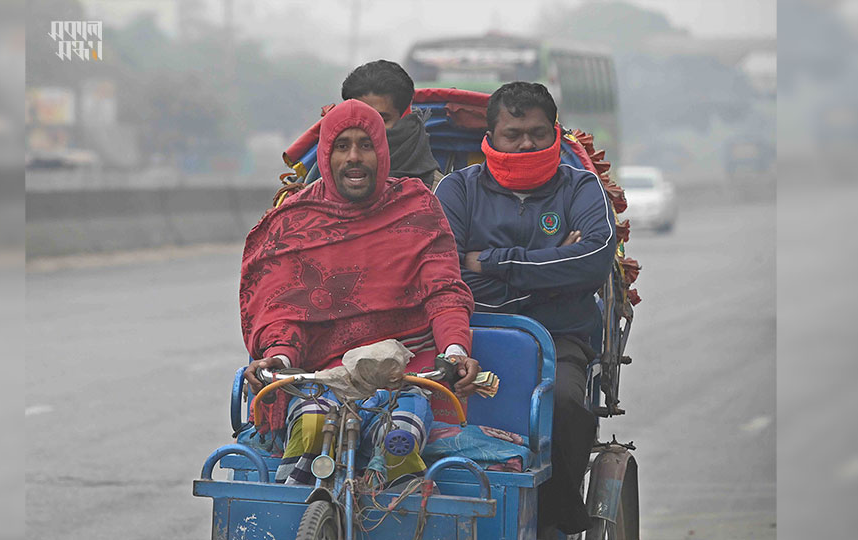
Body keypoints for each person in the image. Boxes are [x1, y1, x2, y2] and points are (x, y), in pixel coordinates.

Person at [239, 99, 479, 485]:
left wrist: (455, 351)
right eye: (342, 146)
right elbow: (283, 312)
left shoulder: (416, 206)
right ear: (326, 153)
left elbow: (444, 290)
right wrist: (279, 359)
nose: (354, 157)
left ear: (382, 151)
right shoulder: (293, 222)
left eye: (365, 145)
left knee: (400, 437)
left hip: (406, 372)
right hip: (321, 375)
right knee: (311, 429)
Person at [434, 82, 618, 537]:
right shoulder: (457, 190)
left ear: (555, 132)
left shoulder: (581, 187)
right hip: (467, 335)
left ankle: (558, 515)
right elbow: (446, 274)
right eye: (513, 133)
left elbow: (593, 260)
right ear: (491, 136)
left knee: (565, 405)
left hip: (558, 341)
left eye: (537, 132)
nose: (527, 144)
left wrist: (493, 262)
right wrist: (552, 271)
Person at [341, 60, 444, 189]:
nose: (368, 131)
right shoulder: (319, 195)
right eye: (359, 121)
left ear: (405, 121)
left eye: (382, 121)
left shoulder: (439, 193)